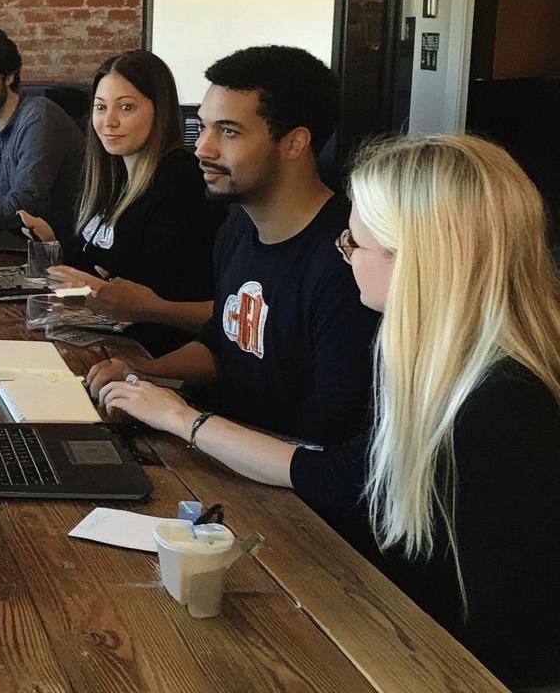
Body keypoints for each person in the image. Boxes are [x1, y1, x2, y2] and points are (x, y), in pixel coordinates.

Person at [96, 134, 560, 689]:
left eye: (355, 245)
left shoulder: (499, 401)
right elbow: (349, 476)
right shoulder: (466, 361)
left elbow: (338, 482)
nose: (345, 257)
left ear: (418, 260)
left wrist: (180, 419)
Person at [87, 45, 378, 445]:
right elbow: (221, 346)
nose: (202, 148)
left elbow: (328, 438)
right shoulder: (236, 230)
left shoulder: (352, 262)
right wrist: (142, 373)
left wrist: (180, 417)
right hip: (215, 451)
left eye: (228, 131)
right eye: (203, 126)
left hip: (288, 491)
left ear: (294, 144)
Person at [16, 49, 227, 356]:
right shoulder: (114, 173)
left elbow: (144, 291)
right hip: (106, 338)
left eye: (126, 108)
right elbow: (96, 270)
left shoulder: (181, 180)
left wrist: (107, 289)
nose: (109, 121)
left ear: (160, 111)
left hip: (157, 356)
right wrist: (52, 242)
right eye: (100, 108)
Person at [0, 27, 82, 244]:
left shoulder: (39, 117)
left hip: (55, 252)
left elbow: (25, 202)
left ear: (9, 76)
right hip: (9, 241)